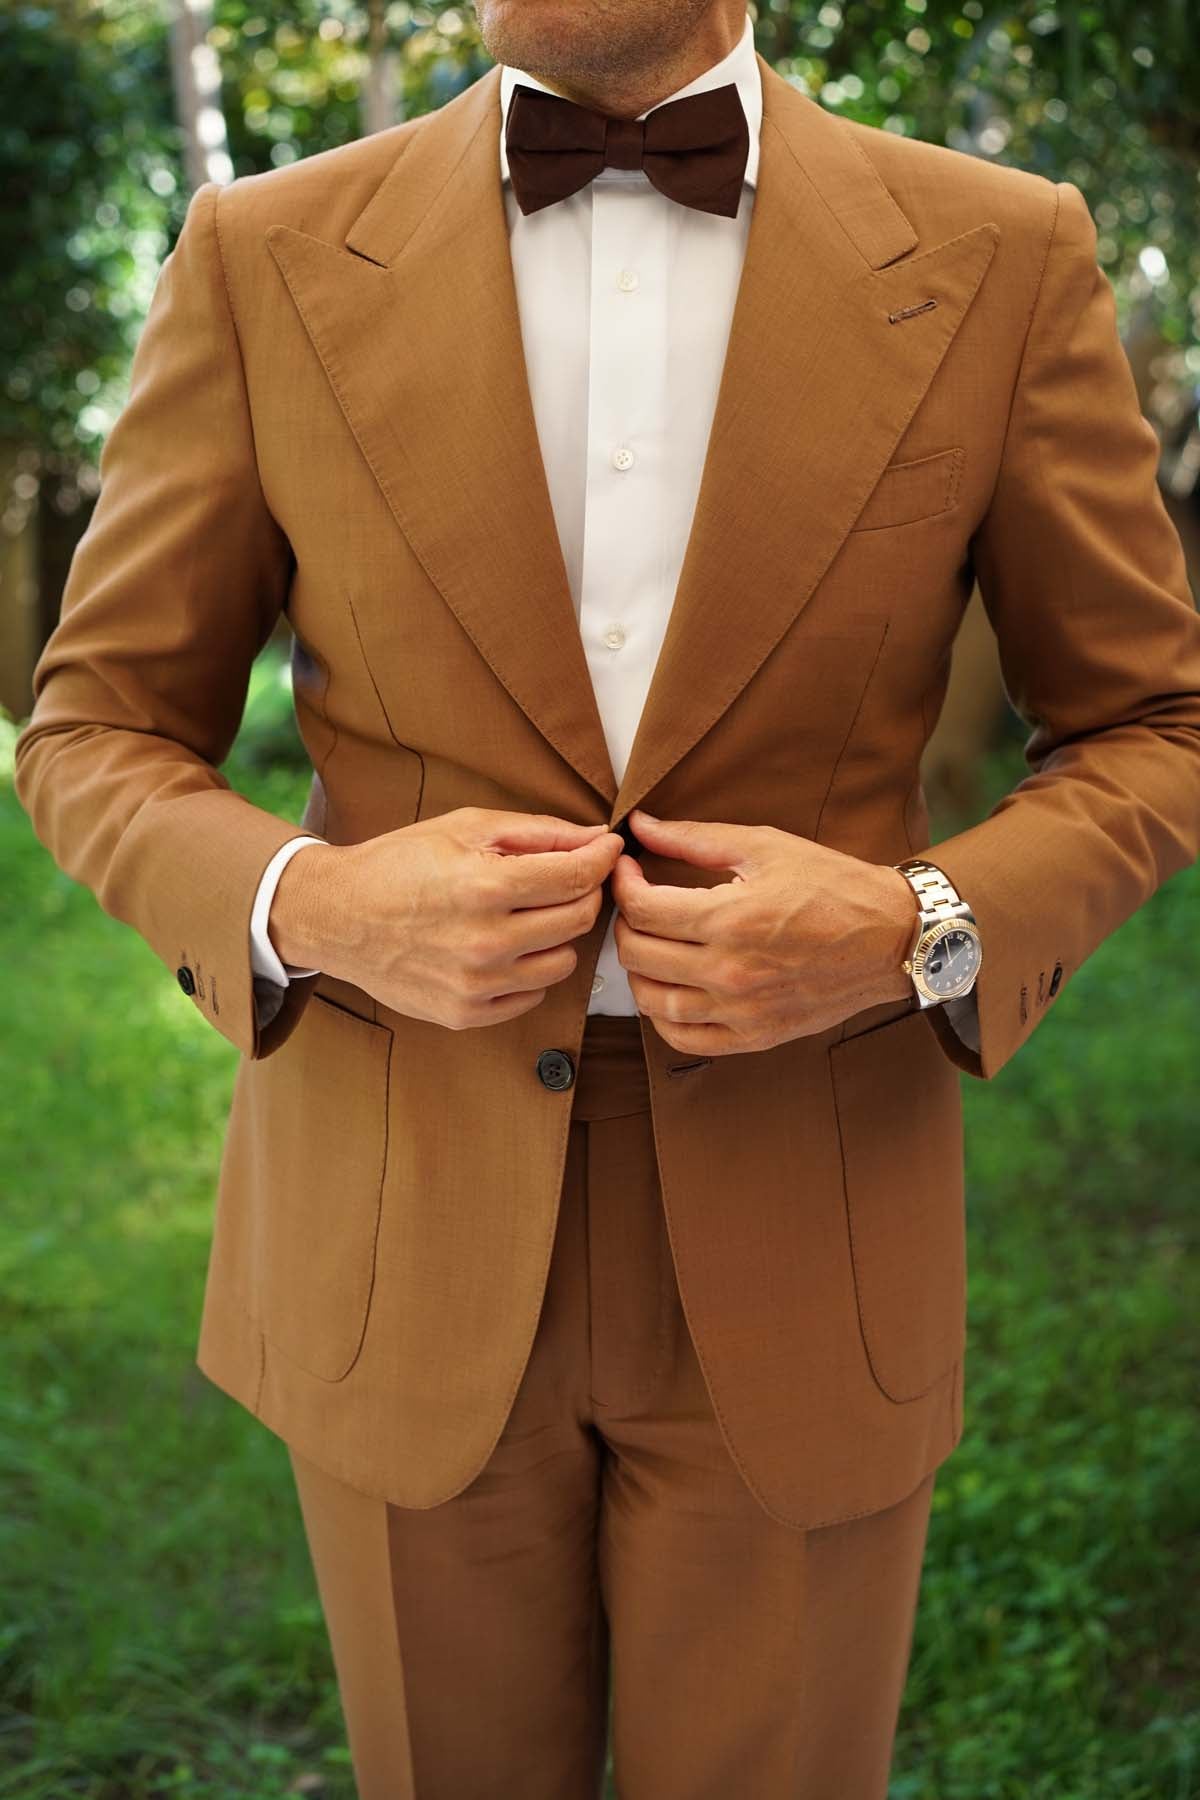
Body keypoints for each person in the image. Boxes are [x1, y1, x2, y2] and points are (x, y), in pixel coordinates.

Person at [14, 2, 1200, 1794]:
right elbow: (92, 725)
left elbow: (1151, 720)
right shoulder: (260, 252)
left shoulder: (1000, 251)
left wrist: (915, 927)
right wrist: (310, 904)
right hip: (393, 1220)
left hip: (816, 1222)